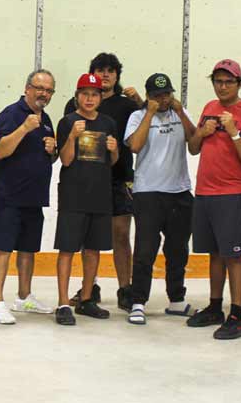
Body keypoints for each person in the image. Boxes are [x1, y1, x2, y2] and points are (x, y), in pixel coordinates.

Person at [186, 59, 241, 340]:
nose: (222, 86)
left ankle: (236, 315)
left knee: (233, 255)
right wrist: (201, 133)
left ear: (239, 84)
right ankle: (215, 306)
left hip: (234, 194)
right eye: (218, 81)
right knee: (214, 254)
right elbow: (193, 148)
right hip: (205, 191)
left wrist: (233, 133)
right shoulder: (209, 108)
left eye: (228, 81)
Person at [63, 53, 142, 311]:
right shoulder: (73, 108)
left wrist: (140, 101)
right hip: (85, 181)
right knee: (87, 237)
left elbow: (143, 129)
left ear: (117, 75)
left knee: (120, 234)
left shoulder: (127, 105)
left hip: (118, 178)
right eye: (100, 69)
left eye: (111, 70)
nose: (106, 74)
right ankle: (90, 288)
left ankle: (125, 288)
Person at [0, 70, 58, 324]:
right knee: (3, 248)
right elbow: (1, 151)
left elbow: (47, 156)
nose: (43, 94)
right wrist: (24, 128)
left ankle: (24, 296)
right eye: (39, 88)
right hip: (9, 195)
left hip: (34, 195)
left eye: (48, 90)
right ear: (27, 88)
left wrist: (53, 150)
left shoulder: (46, 118)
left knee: (28, 250)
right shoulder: (11, 114)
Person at [124, 73, 196, 325]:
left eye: (167, 94)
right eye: (157, 95)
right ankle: (138, 302)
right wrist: (149, 113)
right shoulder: (136, 117)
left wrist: (181, 112)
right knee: (145, 250)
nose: (163, 100)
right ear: (148, 96)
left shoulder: (179, 113)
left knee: (178, 250)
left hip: (179, 191)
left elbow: (194, 141)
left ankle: (176, 299)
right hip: (148, 192)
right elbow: (134, 146)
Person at [53, 73, 120, 325]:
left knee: (93, 250)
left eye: (94, 94)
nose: (89, 98)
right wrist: (71, 136)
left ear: (100, 97)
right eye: (84, 93)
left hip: (100, 195)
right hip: (73, 195)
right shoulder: (67, 121)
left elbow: (112, 162)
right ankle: (62, 303)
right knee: (68, 250)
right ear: (76, 96)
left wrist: (114, 151)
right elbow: (66, 160)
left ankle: (87, 298)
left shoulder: (108, 123)